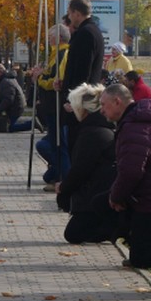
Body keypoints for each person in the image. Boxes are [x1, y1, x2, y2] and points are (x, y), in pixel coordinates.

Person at [99, 83, 151, 268]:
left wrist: (116, 197)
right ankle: (131, 237)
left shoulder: (134, 126)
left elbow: (131, 172)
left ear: (117, 102)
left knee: (140, 258)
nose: (101, 110)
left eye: (103, 104)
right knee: (100, 203)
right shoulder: (141, 118)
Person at [56, 84, 119, 245]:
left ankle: (115, 229)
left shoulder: (91, 134)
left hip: (96, 195)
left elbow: (80, 170)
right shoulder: (100, 129)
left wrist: (63, 188)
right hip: (99, 191)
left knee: (73, 234)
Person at [60, 0, 104, 151]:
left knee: (77, 147)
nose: (69, 18)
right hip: (87, 98)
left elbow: (82, 70)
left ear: (77, 13)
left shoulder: (86, 33)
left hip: (82, 103)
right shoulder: (94, 30)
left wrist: (75, 100)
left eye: (70, 14)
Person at [32, 23, 71, 191]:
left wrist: (39, 78)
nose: (48, 40)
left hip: (57, 106)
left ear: (59, 37)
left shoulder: (63, 54)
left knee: (60, 144)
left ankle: (65, 179)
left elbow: (55, 80)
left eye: (50, 37)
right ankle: (55, 174)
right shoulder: (53, 54)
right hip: (49, 106)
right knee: (53, 143)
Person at [0, 63, 31, 132]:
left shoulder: (6, 81)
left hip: (16, 107)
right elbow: (2, 95)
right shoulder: (5, 80)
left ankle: (31, 123)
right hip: (15, 106)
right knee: (10, 125)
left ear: (0, 72)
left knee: (11, 127)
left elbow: (8, 99)